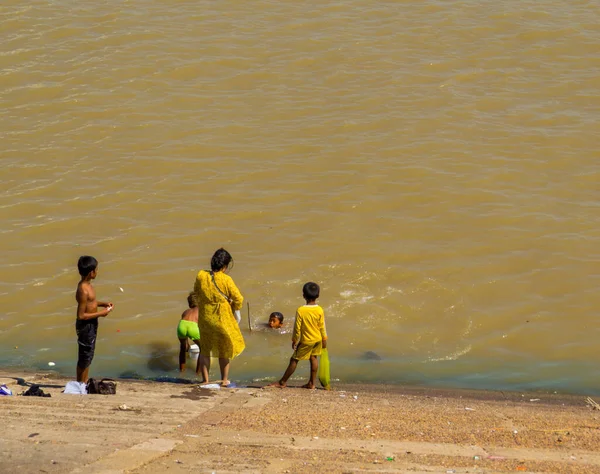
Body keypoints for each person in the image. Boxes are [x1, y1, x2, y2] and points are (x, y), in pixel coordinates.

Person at [193, 248, 244, 386]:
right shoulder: (226, 279)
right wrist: (234, 307)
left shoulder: (201, 275)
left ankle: (205, 381)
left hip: (205, 318)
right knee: (224, 350)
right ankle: (224, 380)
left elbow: (196, 293)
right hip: (222, 319)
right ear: (225, 266)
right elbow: (238, 298)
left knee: (205, 350)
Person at [269, 282, 327, 389]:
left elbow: (297, 328)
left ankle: (282, 382)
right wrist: (324, 339)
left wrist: (294, 340)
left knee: (294, 360)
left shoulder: (301, 310)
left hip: (306, 341)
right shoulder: (320, 310)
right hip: (318, 339)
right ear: (318, 295)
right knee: (313, 358)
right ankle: (311, 383)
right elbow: (322, 326)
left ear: (303, 295)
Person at [75, 256, 113, 383]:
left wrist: (103, 304)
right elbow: (81, 315)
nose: (97, 272)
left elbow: (91, 303)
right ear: (91, 272)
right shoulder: (83, 290)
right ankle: (81, 384)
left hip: (91, 324)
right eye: (96, 269)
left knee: (88, 356)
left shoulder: (88, 285)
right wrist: (101, 314)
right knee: (84, 357)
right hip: (86, 326)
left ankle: (82, 382)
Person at [177, 292, 201, 374]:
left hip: (182, 326)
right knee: (203, 350)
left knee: (183, 348)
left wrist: (187, 344)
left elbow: (186, 323)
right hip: (193, 327)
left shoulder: (186, 311)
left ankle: (182, 371)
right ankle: (198, 373)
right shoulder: (201, 310)